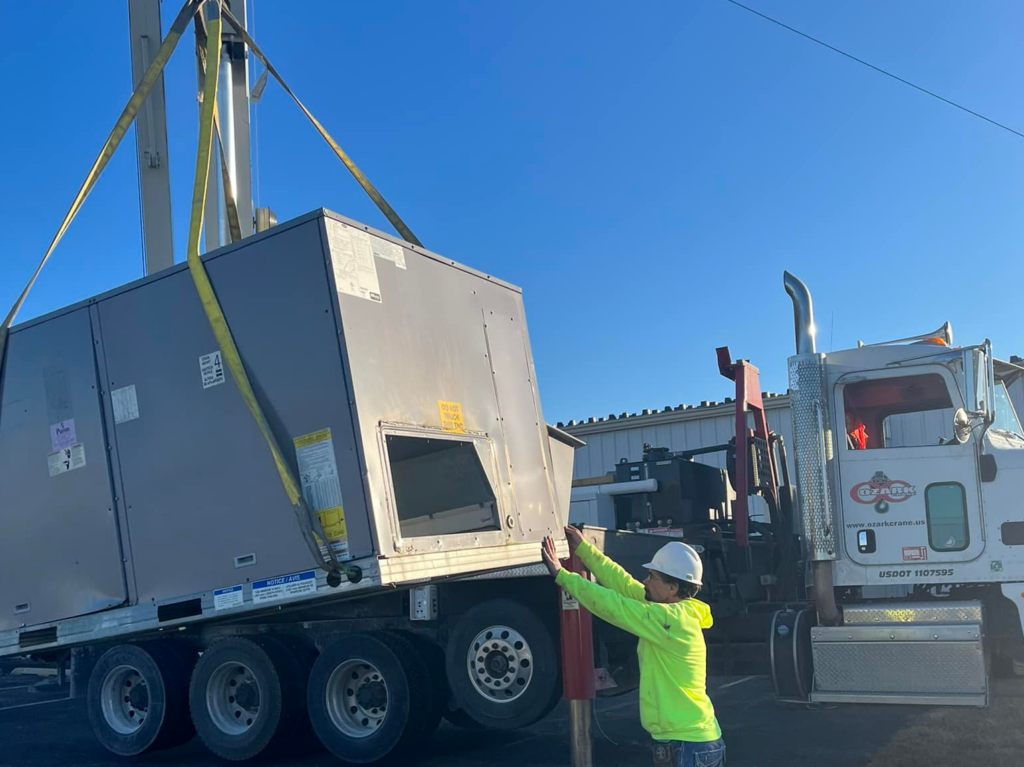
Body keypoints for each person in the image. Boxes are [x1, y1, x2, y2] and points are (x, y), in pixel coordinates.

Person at [541, 527, 725, 767]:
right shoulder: (670, 611)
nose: (645, 581)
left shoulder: (671, 622)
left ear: (673, 588)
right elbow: (624, 584)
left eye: (652, 577)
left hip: (688, 745)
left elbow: (615, 606)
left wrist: (562, 576)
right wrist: (584, 550)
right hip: (688, 743)